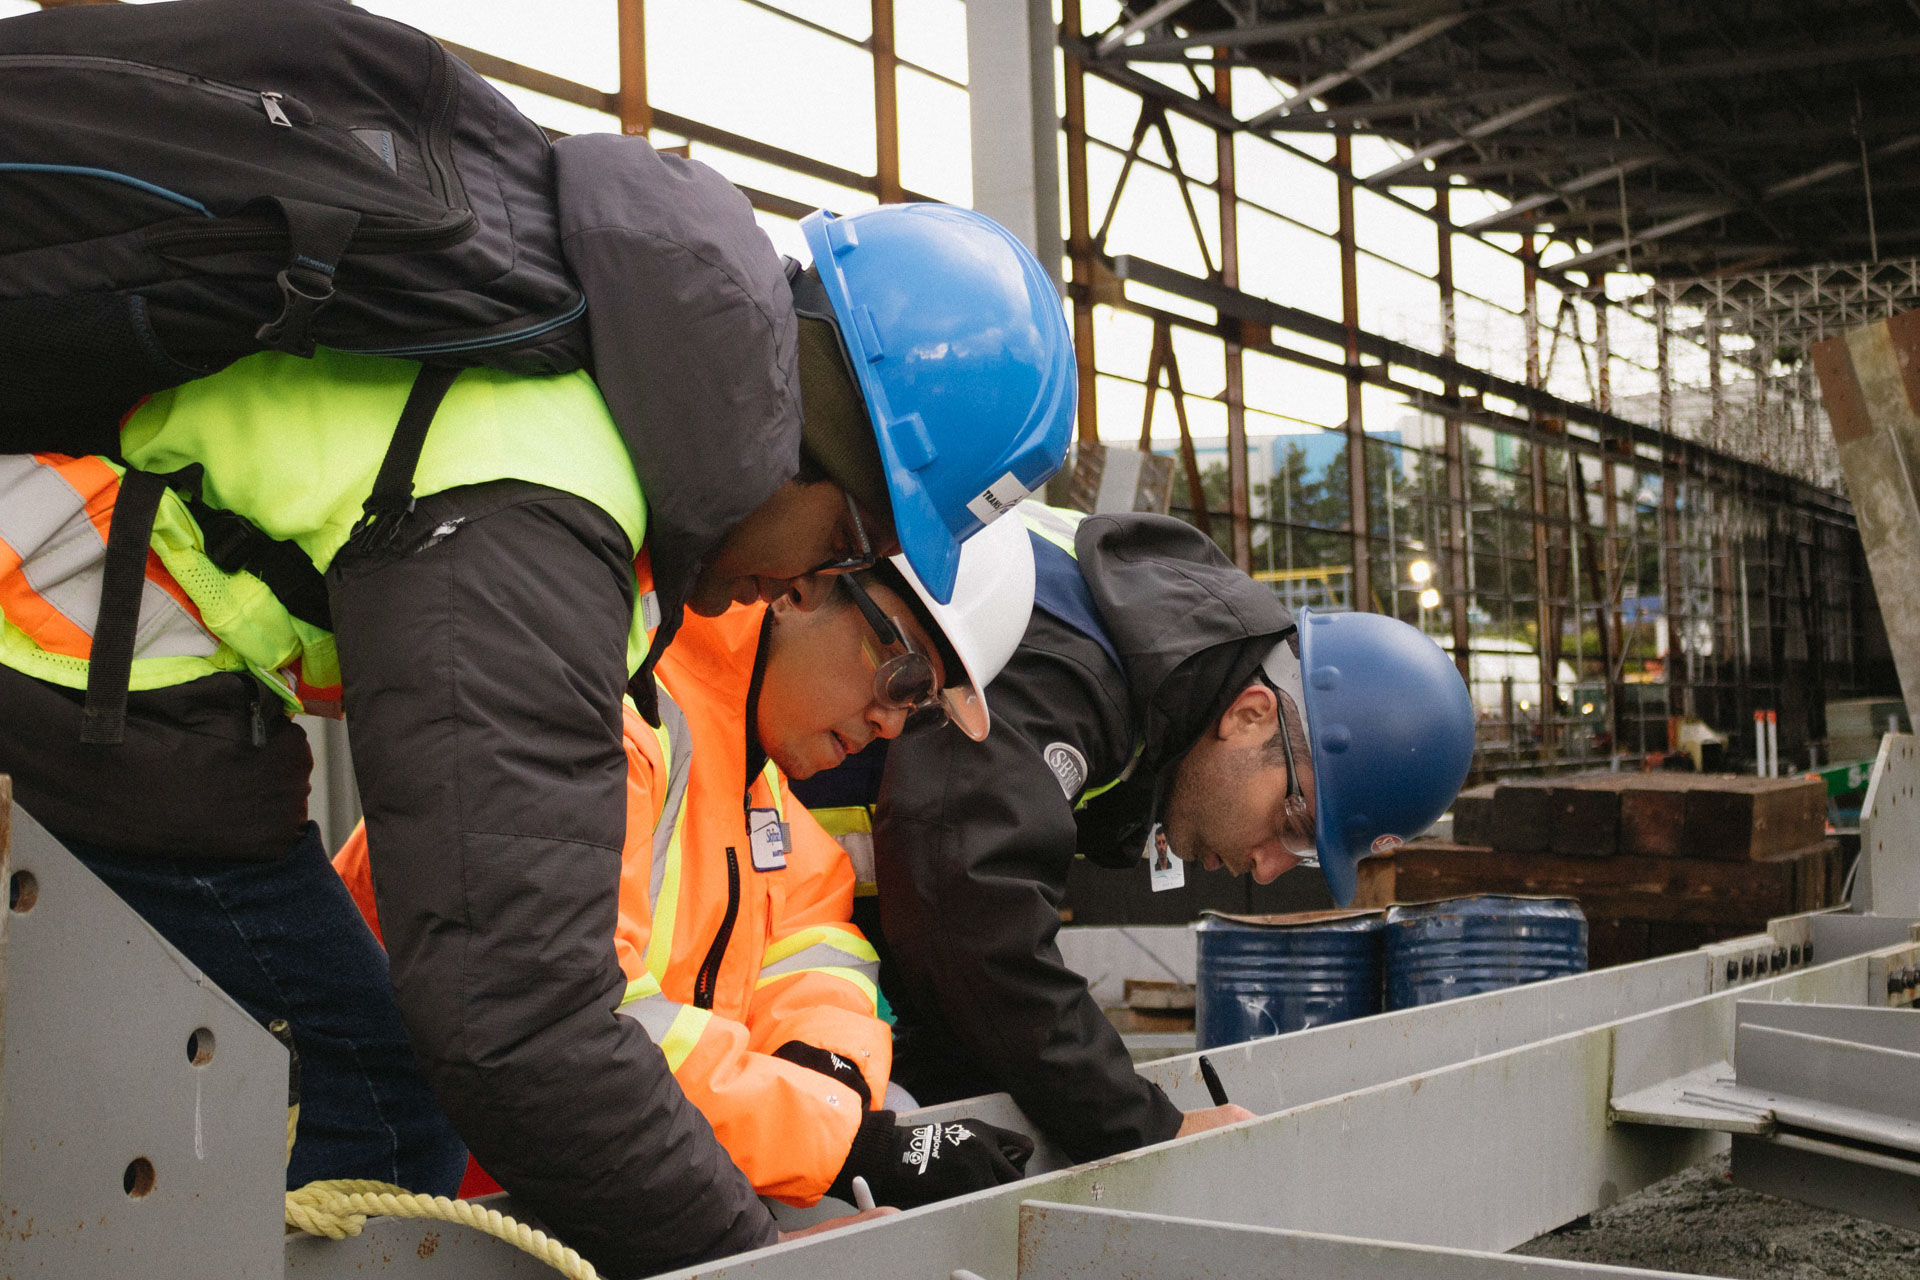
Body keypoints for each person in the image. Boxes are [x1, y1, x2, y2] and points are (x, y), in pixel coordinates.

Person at [0, 155, 1074, 1277]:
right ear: (831, 508)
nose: (897, 723)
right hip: (67, 648)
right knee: (358, 1086)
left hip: (153, 679)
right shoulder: (557, 537)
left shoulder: (597, 454)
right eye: (855, 553)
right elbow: (520, 1022)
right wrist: (760, 1244)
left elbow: (813, 946)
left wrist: (846, 1112)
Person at [334, 516, 1040, 1208]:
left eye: (920, 705)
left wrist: (823, 1089)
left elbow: (824, 955)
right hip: (451, 1167)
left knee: (876, 1128)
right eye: (902, 672)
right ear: (802, 589)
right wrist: (842, 1144)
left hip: (597, 1156)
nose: (891, 722)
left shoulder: (754, 787)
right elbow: (580, 1032)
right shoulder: (613, 729)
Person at [791, 502, 1476, 1166]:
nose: (1266, 869)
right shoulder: (1068, 659)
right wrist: (1146, 1130)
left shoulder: (1138, 632)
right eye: (1291, 826)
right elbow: (966, 908)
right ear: (1251, 714)